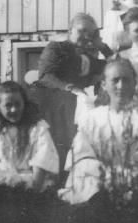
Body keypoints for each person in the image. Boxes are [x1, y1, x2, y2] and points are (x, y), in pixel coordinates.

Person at [58, 58, 138, 205]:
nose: (121, 86)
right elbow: (81, 159)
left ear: (135, 84)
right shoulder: (92, 119)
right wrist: (110, 174)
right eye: (115, 80)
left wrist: (125, 175)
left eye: (126, 80)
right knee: (83, 175)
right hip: (100, 180)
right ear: (104, 84)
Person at [29, 13, 110, 170]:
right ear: (70, 30)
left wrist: (101, 46)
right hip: (49, 102)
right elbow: (45, 76)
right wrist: (72, 88)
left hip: (71, 107)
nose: (86, 36)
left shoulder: (88, 59)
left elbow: (116, 65)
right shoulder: (56, 48)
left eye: (90, 33)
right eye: (81, 31)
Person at [0, 81, 59, 191]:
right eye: (8, 105)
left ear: (24, 103)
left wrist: (33, 190)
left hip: (31, 181)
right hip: (2, 180)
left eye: (18, 104)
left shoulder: (37, 128)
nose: (14, 109)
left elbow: (42, 159)